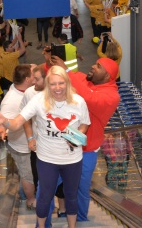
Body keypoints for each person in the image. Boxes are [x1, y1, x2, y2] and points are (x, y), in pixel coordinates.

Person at [0, 66, 90, 228]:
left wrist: (78, 135)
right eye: (53, 84)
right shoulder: (39, 100)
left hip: (72, 159)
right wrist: (4, 121)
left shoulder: (78, 101)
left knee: (71, 196)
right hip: (47, 159)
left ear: (67, 83)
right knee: (44, 197)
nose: (57, 88)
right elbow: (17, 123)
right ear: (48, 85)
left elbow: (85, 123)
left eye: (61, 83)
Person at [50, 57, 120, 222]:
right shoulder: (82, 79)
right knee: (47, 185)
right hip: (63, 146)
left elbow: (88, 98)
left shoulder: (111, 96)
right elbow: (60, 78)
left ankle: (81, 220)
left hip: (87, 151)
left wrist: (67, 71)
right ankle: (43, 222)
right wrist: (51, 62)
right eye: (94, 63)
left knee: (81, 189)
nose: (93, 66)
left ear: (107, 75)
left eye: (98, 66)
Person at [1, 64, 36, 210]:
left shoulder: (25, 91)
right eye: (35, 73)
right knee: (28, 175)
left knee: (30, 174)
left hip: (31, 145)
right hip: (21, 147)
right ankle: (31, 201)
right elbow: (3, 125)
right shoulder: (10, 101)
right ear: (28, 79)